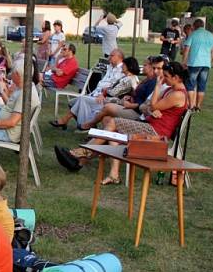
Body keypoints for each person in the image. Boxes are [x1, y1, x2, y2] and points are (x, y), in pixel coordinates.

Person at [55, 62, 189, 184]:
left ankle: (81, 153)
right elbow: (149, 106)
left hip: (155, 133)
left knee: (113, 123)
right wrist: (153, 109)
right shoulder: (171, 90)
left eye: (166, 76)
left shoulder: (178, 94)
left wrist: (157, 89)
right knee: (112, 131)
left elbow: (153, 105)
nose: (163, 78)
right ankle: (92, 166)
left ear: (176, 77)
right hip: (150, 125)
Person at [49, 48, 127, 129]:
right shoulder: (110, 67)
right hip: (95, 94)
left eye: (112, 56)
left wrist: (104, 94)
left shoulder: (123, 70)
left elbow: (117, 88)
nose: (109, 57)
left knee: (81, 100)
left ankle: (72, 122)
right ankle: (85, 124)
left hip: (105, 98)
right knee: (72, 102)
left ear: (119, 57)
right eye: (109, 55)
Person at [80, 55, 165, 130]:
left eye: (145, 65)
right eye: (155, 68)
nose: (143, 67)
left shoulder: (152, 82)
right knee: (106, 118)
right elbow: (138, 95)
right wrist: (130, 96)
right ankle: (106, 140)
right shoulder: (146, 80)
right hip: (130, 106)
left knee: (107, 107)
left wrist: (131, 104)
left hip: (137, 112)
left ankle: (91, 124)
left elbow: (145, 103)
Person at [182, 19, 213, 111]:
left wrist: (184, 62)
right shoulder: (210, 35)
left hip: (194, 62)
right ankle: (198, 106)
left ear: (195, 26)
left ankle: (191, 105)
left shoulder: (193, 34)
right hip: (206, 63)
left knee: (190, 84)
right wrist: (210, 60)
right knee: (202, 85)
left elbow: (186, 49)